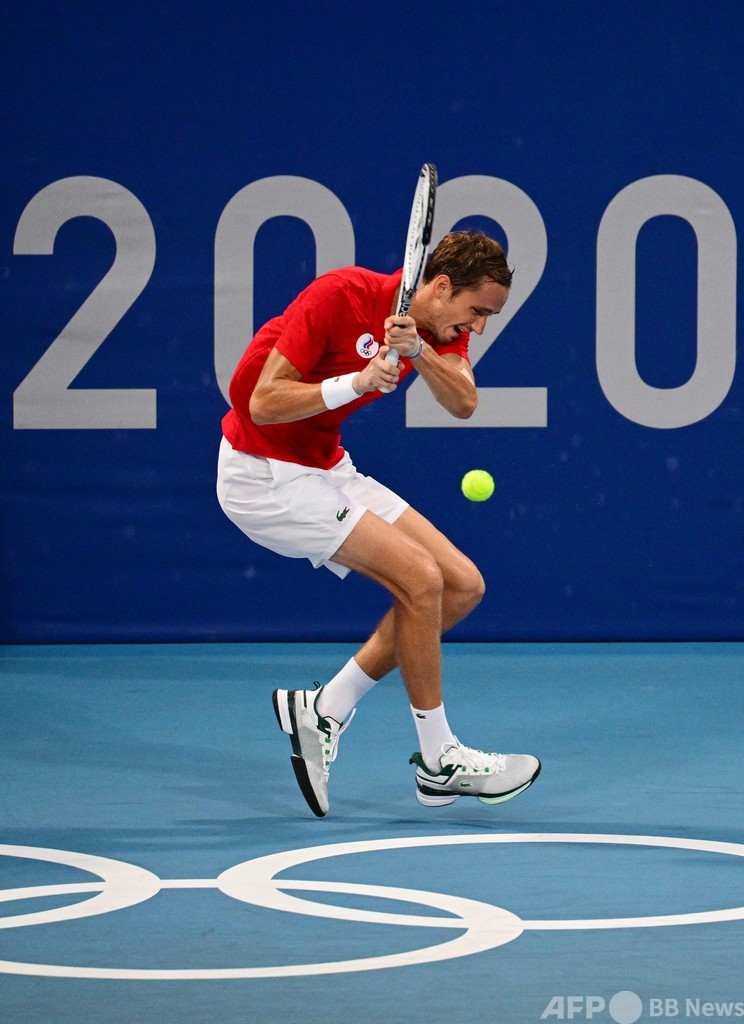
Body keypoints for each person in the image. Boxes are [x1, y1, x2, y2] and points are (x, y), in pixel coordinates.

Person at [216, 229, 541, 817]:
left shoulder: (439, 330)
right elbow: (261, 402)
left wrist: (419, 352)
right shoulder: (340, 293)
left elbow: (464, 402)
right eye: (477, 311)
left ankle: (325, 709)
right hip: (261, 475)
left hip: (325, 467)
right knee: (420, 579)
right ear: (441, 287)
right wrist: (357, 382)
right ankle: (440, 760)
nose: (478, 326)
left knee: (461, 585)